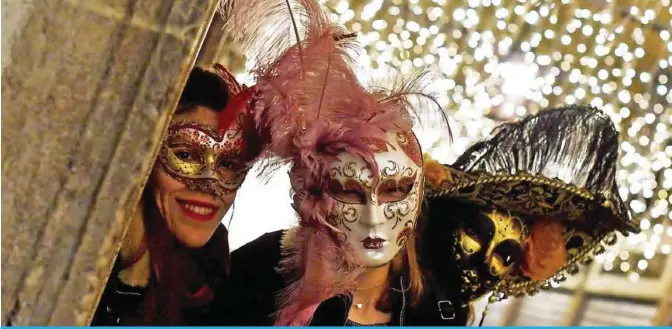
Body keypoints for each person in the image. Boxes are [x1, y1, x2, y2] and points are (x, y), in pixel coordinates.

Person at [207, 0, 637, 326]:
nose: (375, 217)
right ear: (313, 196)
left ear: (416, 200)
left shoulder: (438, 311)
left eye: (394, 189)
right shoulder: (260, 273)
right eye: (351, 190)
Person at [91, 64, 258, 325]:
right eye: (185, 155)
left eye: (227, 164)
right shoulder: (90, 247)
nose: (207, 184)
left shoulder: (213, 272)